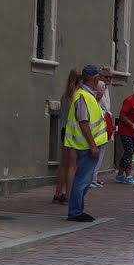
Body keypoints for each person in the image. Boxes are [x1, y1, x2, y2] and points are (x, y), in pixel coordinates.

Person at [64, 65, 109, 222]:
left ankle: (77, 210)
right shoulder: (84, 96)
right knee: (82, 180)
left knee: (83, 179)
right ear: (95, 79)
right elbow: (84, 123)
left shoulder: (86, 95)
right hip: (86, 147)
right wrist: (93, 146)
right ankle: (75, 212)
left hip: (86, 145)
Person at [52, 68, 81, 204]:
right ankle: (69, 196)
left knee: (64, 164)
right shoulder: (76, 98)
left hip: (64, 131)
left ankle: (58, 193)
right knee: (72, 166)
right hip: (73, 132)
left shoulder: (64, 96)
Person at [114, 79, 134, 185]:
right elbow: (122, 116)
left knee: (129, 152)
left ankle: (119, 175)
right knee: (128, 152)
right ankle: (128, 176)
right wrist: (132, 125)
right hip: (125, 131)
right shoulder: (129, 100)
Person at [91, 66, 113, 187]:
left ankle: (94, 177)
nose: (108, 79)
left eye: (110, 77)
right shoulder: (98, 86)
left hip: (105, 120)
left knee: (101, 153)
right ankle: (91, 178)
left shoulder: (106, 88)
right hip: (98, 122)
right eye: (106, 77)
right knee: (96, 152)